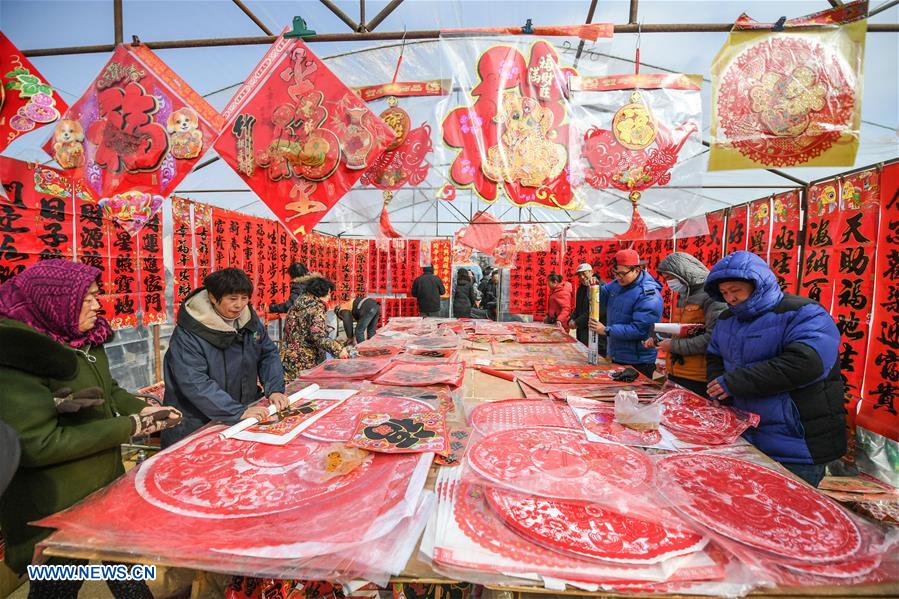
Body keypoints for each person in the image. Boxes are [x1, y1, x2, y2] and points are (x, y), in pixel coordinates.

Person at [0, 260, 177, 597]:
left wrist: (145, 408)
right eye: (89, 298)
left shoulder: (84, 340)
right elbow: (38, 444)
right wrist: (128, 426)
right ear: (54, 300)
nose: (98, 305)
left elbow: (109, 391)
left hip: (102, 493)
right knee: (58, 586)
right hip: (57, 509)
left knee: (125, 572)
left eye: (98, 296)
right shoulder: (16, 356)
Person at [705, 251, 846, 487]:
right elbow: (714, 356)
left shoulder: (804, 313)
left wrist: (734, 383)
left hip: (797, 442)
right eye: (725, 293)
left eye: (736, 290)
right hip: (746, 432)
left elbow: (807, 363)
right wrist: (717, 385)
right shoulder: (728, 319)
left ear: (758, 284)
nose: (730, 298)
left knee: (793, 516)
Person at [162, 268, 287, 448]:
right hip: (197, 422)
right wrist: (236, 411)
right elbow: (194, 382)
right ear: (213, 297)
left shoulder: (249, 322)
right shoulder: (188, 334)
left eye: (244, 298)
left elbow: (267, 354)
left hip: (243, 413)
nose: (239, 305)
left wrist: (274, 389)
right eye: (232, 299)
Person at [642, 252, 726, 397]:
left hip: (698, 377)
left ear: (683, 273)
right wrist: (658, 339)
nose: (669, 283)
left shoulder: (712, 296)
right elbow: (684, 329)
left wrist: (673, 346)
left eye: (670, 278)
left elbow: (712, 339)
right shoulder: (683, 294)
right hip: (676, 371)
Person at [589, 249, 663, 379]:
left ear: (637, 270)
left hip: (638, 361)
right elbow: (602, 295)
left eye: (622, 274)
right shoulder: (617, 284)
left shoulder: (648, 295)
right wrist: (595, 286)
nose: (618, 277)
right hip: (617, 355)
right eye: (615, 273)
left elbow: (640, 330)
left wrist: (606, 330)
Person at [281, 276, 349, 380]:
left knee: (292, 393)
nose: (329, 297)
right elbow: (317, 336)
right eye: (329, 293)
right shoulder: (316, 307)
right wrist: (338, 349)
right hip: (306, 362)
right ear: (321, 292)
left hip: (288, 360)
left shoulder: (297, 305)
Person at [568, 263, 605, 352]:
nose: (582, 277)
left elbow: (593, 310)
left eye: (584, 273)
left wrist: (576, 322)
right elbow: (578, 308)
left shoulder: (599, 287)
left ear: (591, 272)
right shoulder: (581, 288)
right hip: (582, 331)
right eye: (579, 275)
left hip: (594, 331)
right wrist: (571, 320)